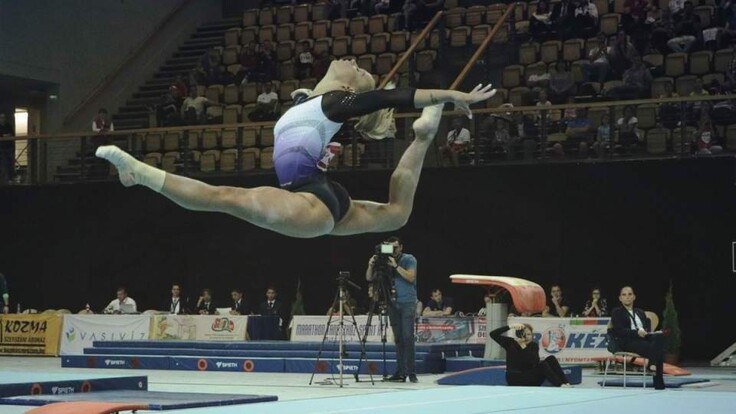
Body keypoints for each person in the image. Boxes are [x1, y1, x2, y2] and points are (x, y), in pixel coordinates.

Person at [96, 59, 495, 239]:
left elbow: (399, 96)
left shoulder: (337, 101)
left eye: (355, 68)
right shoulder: (308, 101)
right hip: (319, 194)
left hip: (310, 200)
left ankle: (140, 173)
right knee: (396, 215)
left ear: (349, 88)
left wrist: (450, 95)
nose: (350, 60)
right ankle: (424, 138)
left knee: (225, 197)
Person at [366, 236, 418, 383]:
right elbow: (369, 278)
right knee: (398, 339)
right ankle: (400, 372)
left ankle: (411, 372)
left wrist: (395, 266)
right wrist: (371, 265)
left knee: (408, 337)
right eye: (390, 248)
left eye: (395, 248)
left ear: (401, 247)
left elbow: (411, 277)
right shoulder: (384, 261)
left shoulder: (409, 259)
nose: (393, 251)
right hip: (392, 302)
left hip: (407, 302)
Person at [610, 286, 665, 390]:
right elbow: (620, 331)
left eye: (630, 294)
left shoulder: (640, 312)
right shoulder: (617, 312)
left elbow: (646, 329)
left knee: (659, 337)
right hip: (628, 341)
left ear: (634, 297)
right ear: (620, 298)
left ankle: (651, 365)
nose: (627, 297)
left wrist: (651, 333)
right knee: (658, 350)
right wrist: (636, 333)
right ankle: (659, 385)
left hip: (643, 338)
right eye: (624, 295)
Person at [489, 323, 572, 387]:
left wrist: (524, 347)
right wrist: (510, 326)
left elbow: (534, 363)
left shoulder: (533, 345)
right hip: (515, 379)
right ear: (519, 335)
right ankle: (559, 385)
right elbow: (493, 334)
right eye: (524, 335)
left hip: (530, 377)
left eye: (529, 334)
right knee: (543, 365)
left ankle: (566, 383)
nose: (527, 337)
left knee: (551, 359)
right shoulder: (510, 343)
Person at [0, 114, 14, 185]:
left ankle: (10, 179)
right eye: (1, 118)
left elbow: (12, 134)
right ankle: (3, 179)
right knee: (3, 163)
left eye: (4, 117)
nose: (3, 119)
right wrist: (5, 136)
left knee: (9, 163)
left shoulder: (8, 126)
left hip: (9, 147)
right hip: (1, 147)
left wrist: (5, 136)